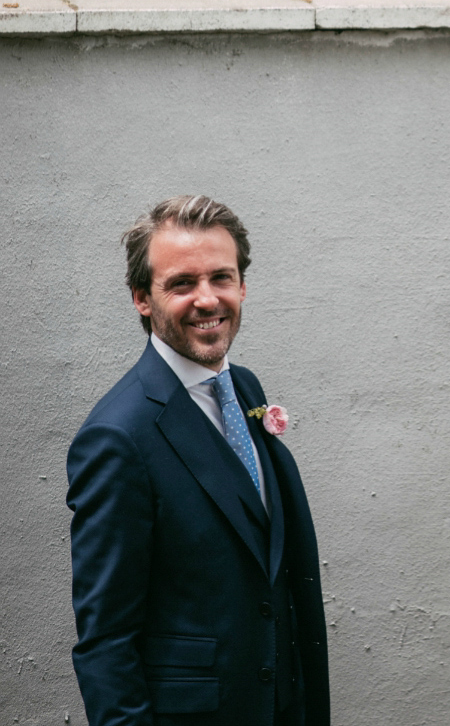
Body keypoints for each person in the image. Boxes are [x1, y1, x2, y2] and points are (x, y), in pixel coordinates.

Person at [66, 195, 330, 724]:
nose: (207, 300)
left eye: (221, 278)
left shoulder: (243, 386)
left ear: (243, 286)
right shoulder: (117, 437)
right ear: (142, 298)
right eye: (182, 283)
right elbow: (106, 641)